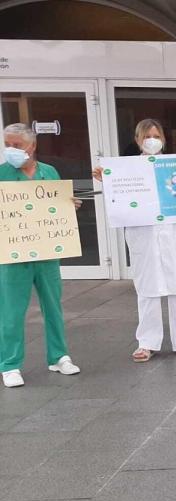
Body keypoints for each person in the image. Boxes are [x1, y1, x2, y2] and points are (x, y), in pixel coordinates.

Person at [93, 119, 176, 362]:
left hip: (174, 233)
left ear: (163, 139)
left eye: (156, 135)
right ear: (137, 140)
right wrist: (107, 180)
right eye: (146, 136)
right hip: (143, 235)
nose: (151, 140)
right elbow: (117, 202)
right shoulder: (126, 169)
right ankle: (147, 342)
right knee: (147, 289)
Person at [0, 123, 82, 388]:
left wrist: (70, 205)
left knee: (53, 306)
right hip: (14, 255)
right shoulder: (2, 174)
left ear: (31, 146)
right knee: (11, 311)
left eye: (16, 145)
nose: (11, 150)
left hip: (47, 251)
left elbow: (58, 204)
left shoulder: (49, 172)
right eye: (7, 144)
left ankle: (59, 356)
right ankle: (10, 364)